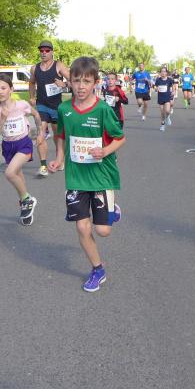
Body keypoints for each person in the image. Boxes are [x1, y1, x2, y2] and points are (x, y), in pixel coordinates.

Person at [48, 56, 125, 292]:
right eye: (76, 81)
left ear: (95, 83)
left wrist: (105, 151)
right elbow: (61, 136)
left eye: (86, 81)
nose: (81, 86)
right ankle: (97, 269)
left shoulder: (102, 110)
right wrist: (59, 158)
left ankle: (112, 209)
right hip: (76, 177)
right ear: (69, 81)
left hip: (101, 176)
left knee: (103, 231)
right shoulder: (64, 109)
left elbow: (120, 138)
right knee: (82, 227)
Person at [0, 73, 45, 225]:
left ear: (11, 89)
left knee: (9, 173)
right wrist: (3, 119)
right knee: (18, 176)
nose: (0, 92)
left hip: (23, 144)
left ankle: (27, 199)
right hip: (8, 146)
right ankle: (25, 205)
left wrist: (40, 133)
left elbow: (36, 115)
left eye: (3, 88)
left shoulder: (21, 105)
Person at [28, 40, 71, 177]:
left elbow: (73, 81)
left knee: (57, 135)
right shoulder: (35, 68)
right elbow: (31, 83)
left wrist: (64, 84)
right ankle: (43, 166)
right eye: (41, 50)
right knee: (40, 133)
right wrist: (32, 97)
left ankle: (60, 159)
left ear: (52, 52)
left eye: (47, 50)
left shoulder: (58, 65)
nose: (44, 53)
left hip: (56, 107)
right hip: (41, 105)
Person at [154, 66, 174, 131]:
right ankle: (162, 125)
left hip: (167, 97)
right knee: (162, 112)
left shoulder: (169, 80)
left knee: (167, 111)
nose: (163, 72)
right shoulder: (158, 80)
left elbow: (172, 86)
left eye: (164, 71)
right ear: (160, 73)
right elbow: (155, 86)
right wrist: (156, 88)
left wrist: (173, 91)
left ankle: (168, 117)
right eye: (162, 71)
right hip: (160, 97)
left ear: (166, 73)